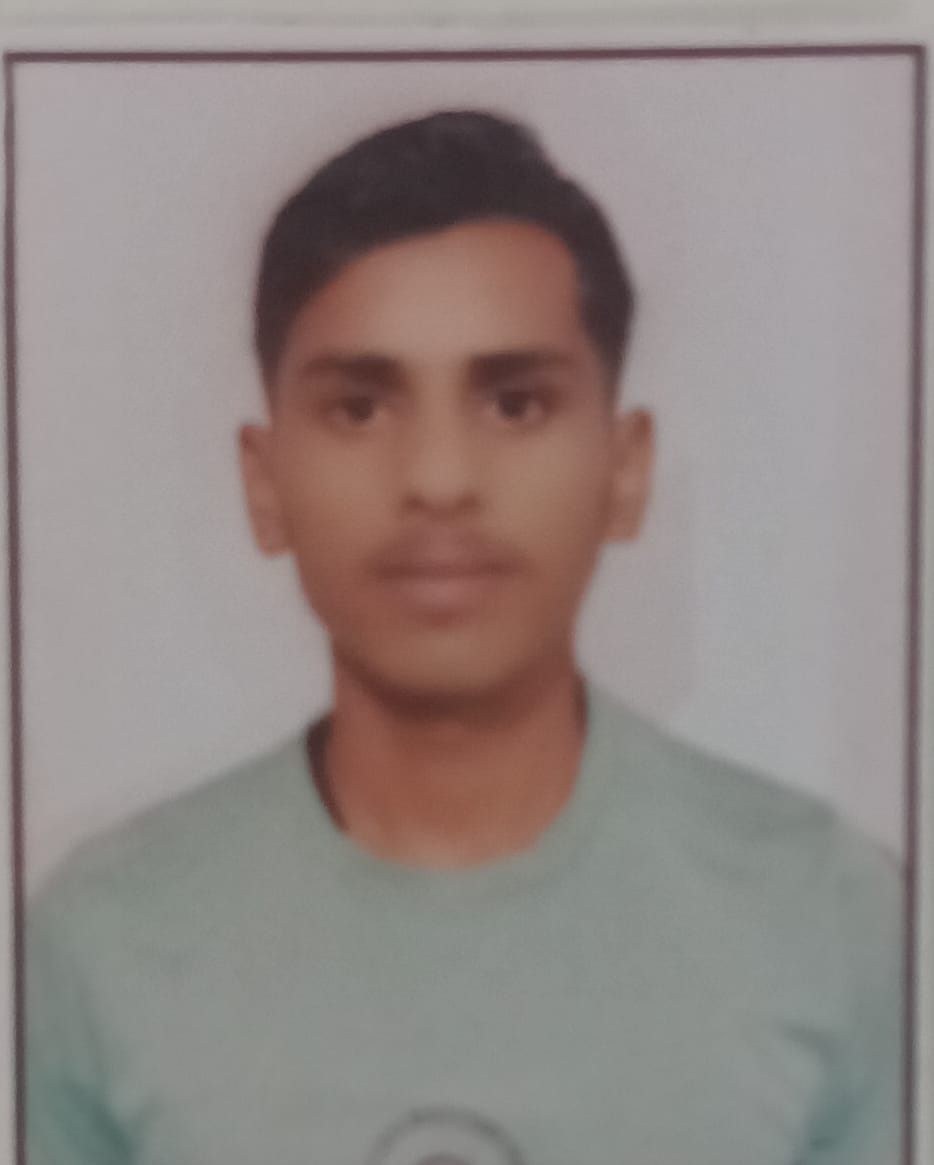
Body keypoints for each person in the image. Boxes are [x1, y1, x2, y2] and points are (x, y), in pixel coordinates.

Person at [26, 109, 903, 1165]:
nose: (439, 479)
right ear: (265, 484)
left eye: (516, 404)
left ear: (624, 469)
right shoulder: (98, 947)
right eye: (360, 409)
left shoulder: (834, 923)